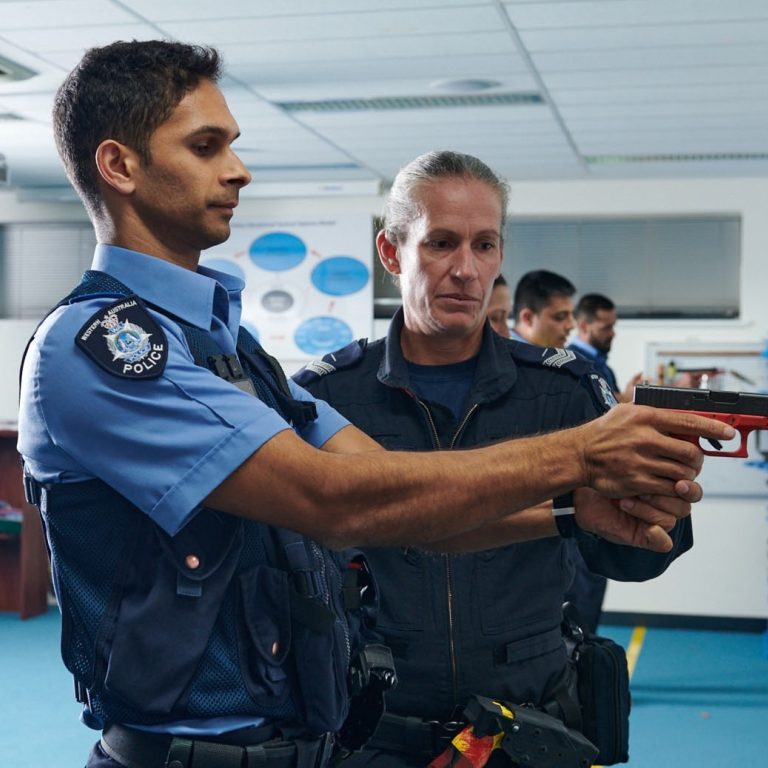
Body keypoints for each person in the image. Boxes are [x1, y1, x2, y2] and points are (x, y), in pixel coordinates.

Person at [16, 42, 733, 768]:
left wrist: (568, 512)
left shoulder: (232, 350)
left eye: (232, 145)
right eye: (206, 146)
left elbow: (398, 505)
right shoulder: (100, 348)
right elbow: (334, 500)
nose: (239, 170)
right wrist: (580, 452)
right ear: (120, 166)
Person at [294, 151, 710, 766]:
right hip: (372, 734)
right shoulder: (327, 398)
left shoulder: (564, 392)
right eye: (441, 243)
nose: (466, 269)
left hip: (528, 731)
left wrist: (659, 500)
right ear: (391, 254)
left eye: (484, 245)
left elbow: (633, 558)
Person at [569, 292, 643, 403]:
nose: (612, 333)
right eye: (605, 328)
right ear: (583, 326)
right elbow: (591, 404)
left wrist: (628, 395)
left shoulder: (606, 369)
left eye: (612, 326)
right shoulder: (571, 362)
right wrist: (625, 398)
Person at [511, 269, 576, 348]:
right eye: (560, 317)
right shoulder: (501, 357)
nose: (572, 325)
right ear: (528, 318)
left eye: (573, 315)